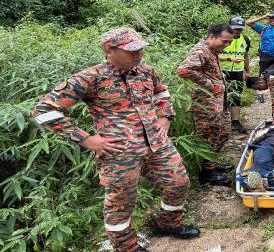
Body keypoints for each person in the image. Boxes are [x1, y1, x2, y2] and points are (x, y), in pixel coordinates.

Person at [32, 28, 198, 252]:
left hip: (157, 144)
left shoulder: (146, 72)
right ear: (109, 50)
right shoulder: (90, 78)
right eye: (131, 51)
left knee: (179, 183)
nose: (138, 54)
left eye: (140, 48)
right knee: (120, 202)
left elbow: (161, 93)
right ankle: (126, 246)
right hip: (118, 153)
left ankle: (167, 224)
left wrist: (165, 117)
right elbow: (44, 110)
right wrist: (87, 139)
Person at [176, 24, 234, 186]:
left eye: (229, 42)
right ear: (211, 36)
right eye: (224, 41)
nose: (227, 45)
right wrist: (208, 84)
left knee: (223, 133)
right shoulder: (201, 50)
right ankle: (207, 173)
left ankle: (211, 164)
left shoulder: (212, 51)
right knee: (210, 136)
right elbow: (183, 70)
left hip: (217, 102)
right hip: (205, 105)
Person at [218, 17, 251, 134]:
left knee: (236, 96)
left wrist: (247, 71)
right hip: (222, 71)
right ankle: (221, 122)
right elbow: (212, 55)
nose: (237, 31)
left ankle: (235, 122)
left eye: (240, 29)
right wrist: (228, 58)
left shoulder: (245, 39)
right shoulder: (222, 38)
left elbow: (245, 55)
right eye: (235, 29)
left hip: (237, 71)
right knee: (221, 96)